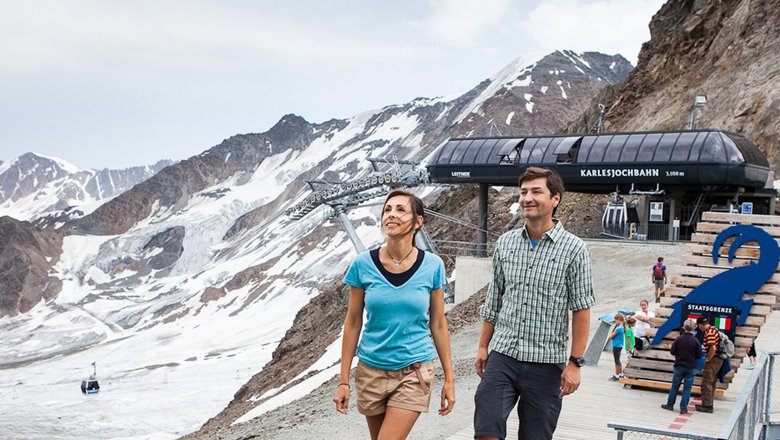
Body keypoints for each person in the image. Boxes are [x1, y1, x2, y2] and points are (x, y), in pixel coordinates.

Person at [473, 166, 595, 440]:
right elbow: (495, 298)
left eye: (536, 191)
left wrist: (575, 363)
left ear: (555, 198)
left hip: (546, 362)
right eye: (523, 192)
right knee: (486, 428)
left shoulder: (574, 249)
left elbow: (581, 309)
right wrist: (483, 346)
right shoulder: (506, 243)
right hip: (503, 355)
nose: (527, 197)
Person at [332, 189, 456, 439]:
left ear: (418, 221)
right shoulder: (363, 264)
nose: (391, 215)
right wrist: (343, 380)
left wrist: (449, 380)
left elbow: (439, 323)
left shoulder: (433, 266)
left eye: (400, 210)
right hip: (371, 370)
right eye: (387, 210)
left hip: (414, 371)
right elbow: (353, 322)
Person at [662, 319, 702, 414]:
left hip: (679, 365)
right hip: (690, 367)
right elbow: (699, 355)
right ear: (693, 328)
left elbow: (672, 351)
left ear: (684, 327)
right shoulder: (696, 341)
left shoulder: (678, 339)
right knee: (687, 389)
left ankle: (670, 404)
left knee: (675, 386)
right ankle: (683, 408)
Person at [695, 317, 723, 413]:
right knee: (711, 381)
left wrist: (708, 359)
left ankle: (707, 406)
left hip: (713, 360)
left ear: (701, 325)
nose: (699, 328)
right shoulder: (714, 329)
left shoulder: (709, 332)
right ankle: (708, 403)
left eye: (698, 326)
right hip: (717, 360)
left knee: (706, 382)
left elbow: (713, 348)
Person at [609, 313, 626, 381]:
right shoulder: (622, 327)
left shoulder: (618, 328)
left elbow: (611, 336)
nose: (615, 321)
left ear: (619, 320)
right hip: (620, 345)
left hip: (616, 345)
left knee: (616, 361)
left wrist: (612, 333)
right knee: (618, 360)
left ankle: (616, 375)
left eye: (615, 320)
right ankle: (621, 374)